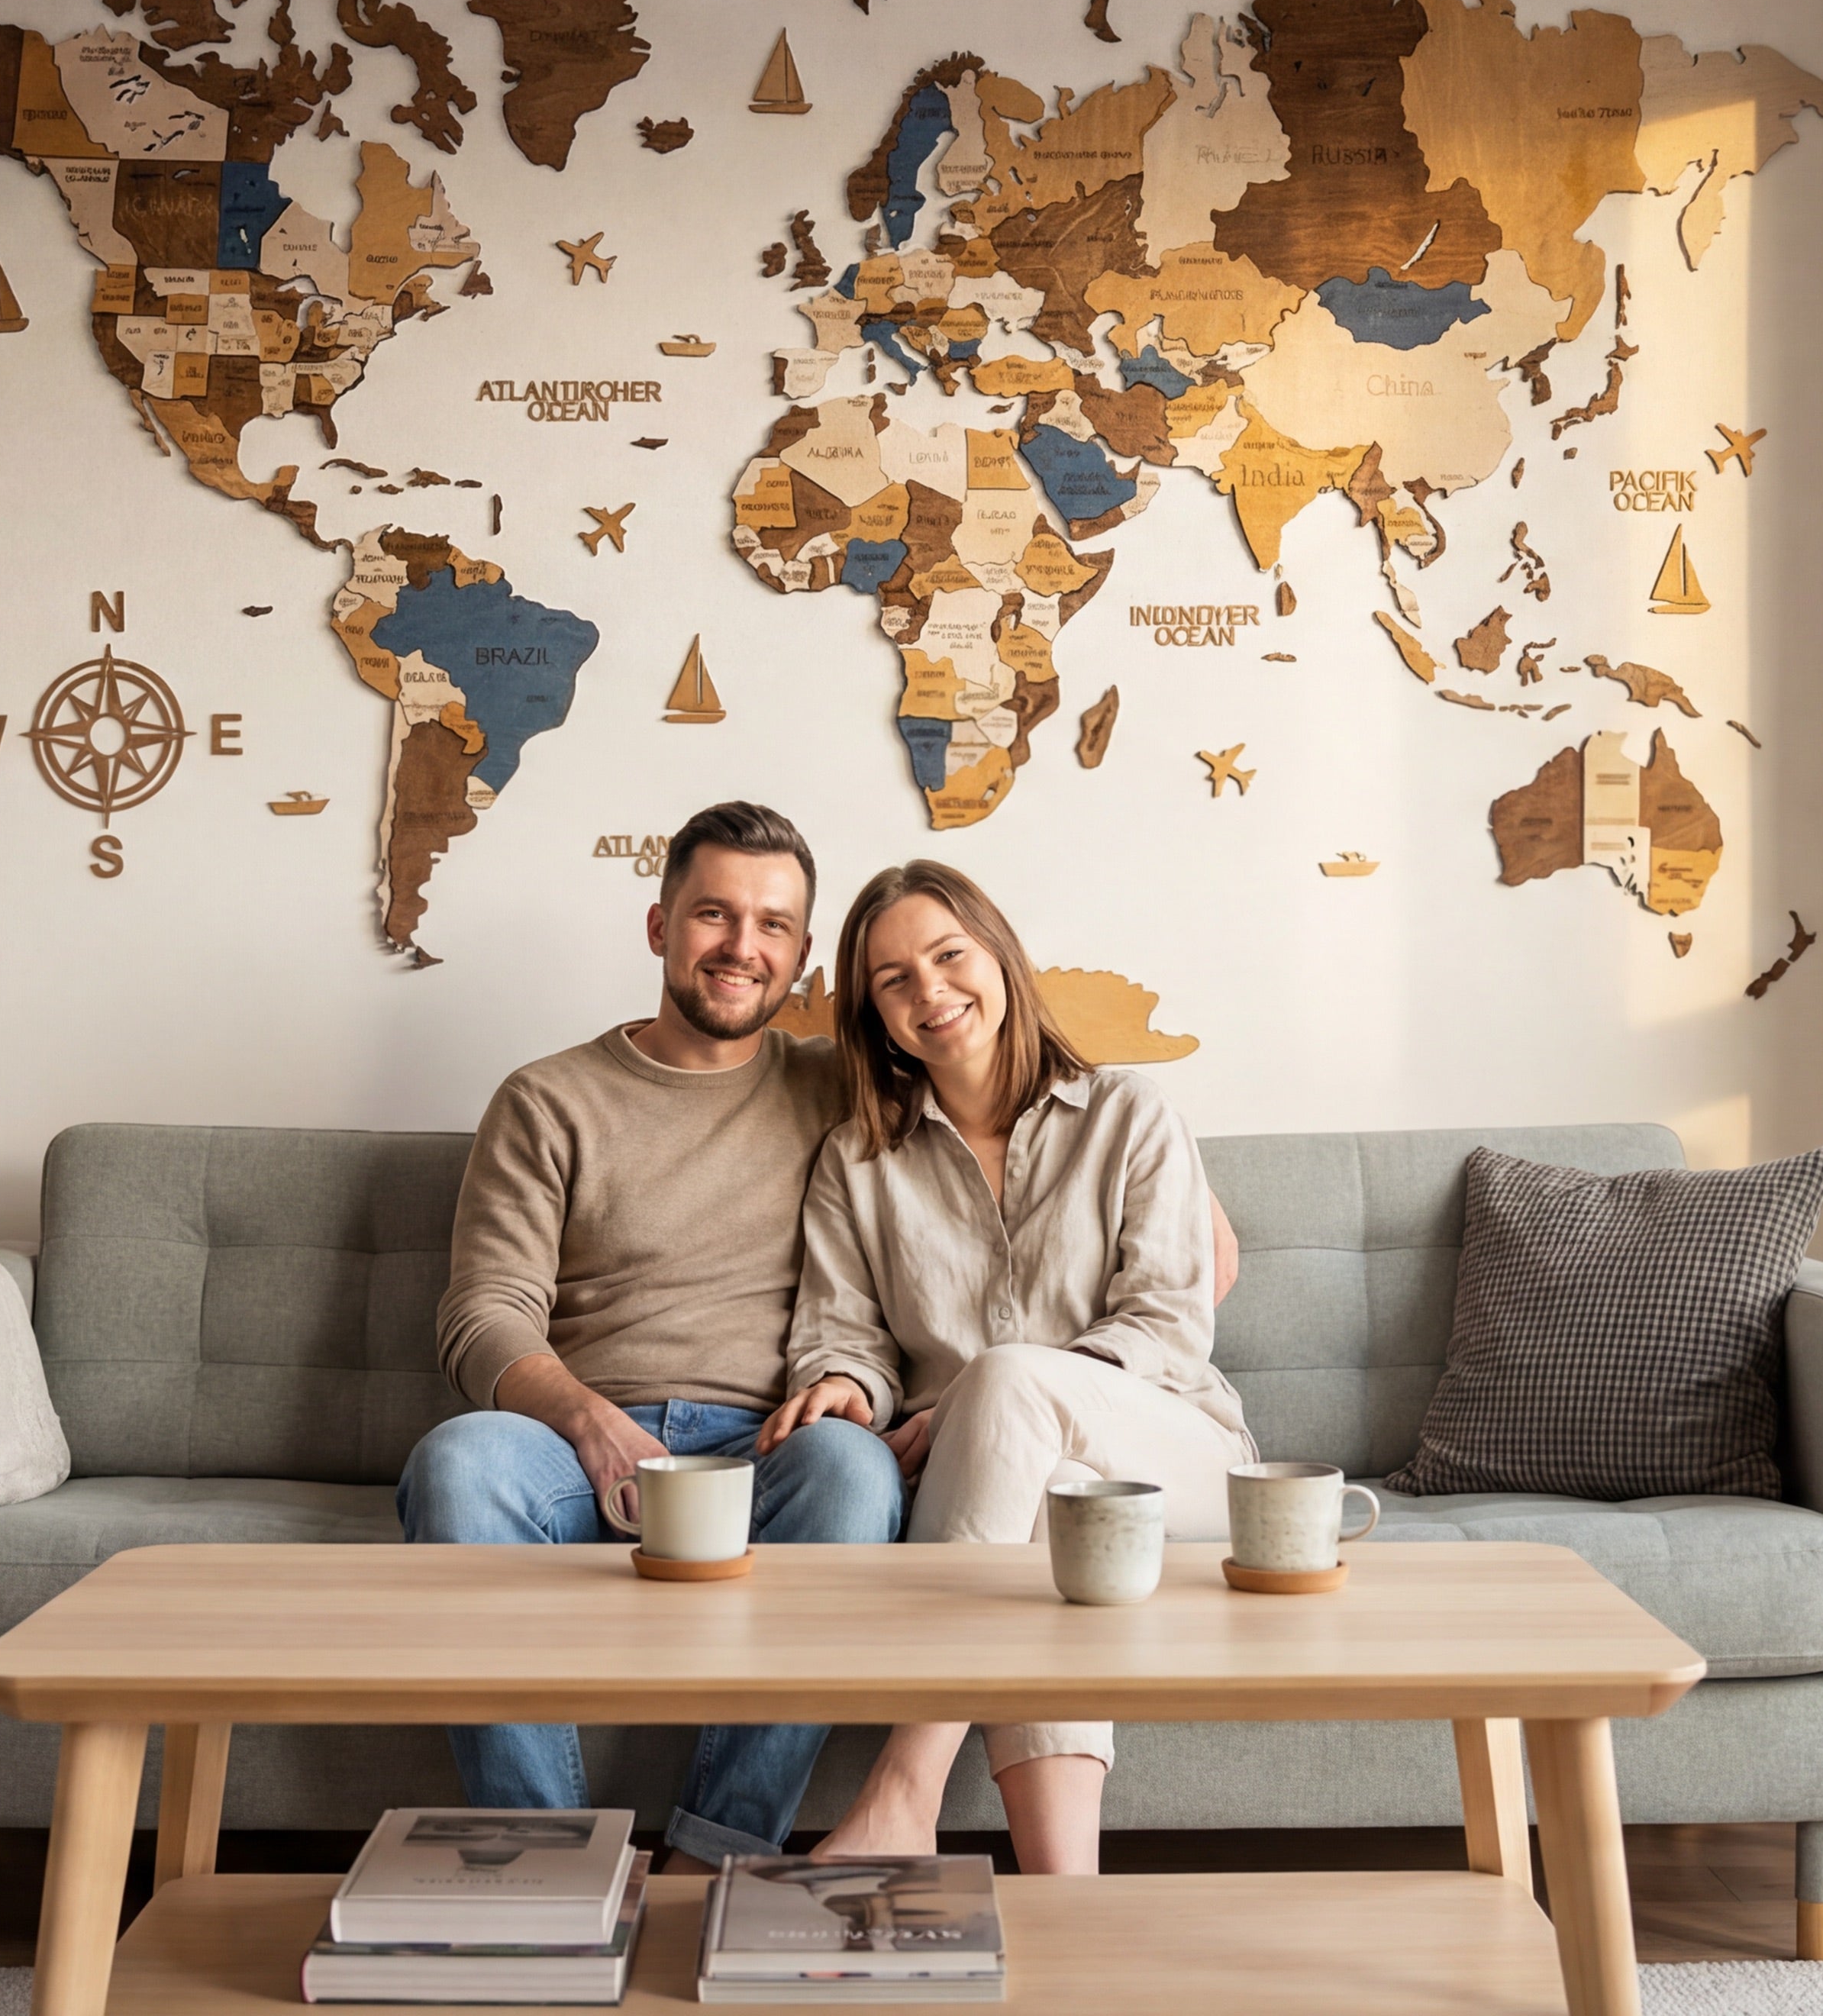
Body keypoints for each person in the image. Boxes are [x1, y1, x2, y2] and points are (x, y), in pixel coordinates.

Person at [398, 802, 908, 1870]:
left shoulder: (841, 1087)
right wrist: (586, 1420)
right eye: (714, 914)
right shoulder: (548, 1099)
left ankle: (717, 1855)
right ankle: (544, 1863)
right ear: (659, 925)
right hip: (571, 1443)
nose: (741, 946)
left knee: (857, 1474)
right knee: (458, 1463)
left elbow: (1002, 1096)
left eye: (773, 925)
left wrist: (1182, 1190)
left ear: (802, 955)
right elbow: (483, 1310)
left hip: (766, 1446)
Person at [757, 860, 1254, 1876]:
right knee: (1051, 1497)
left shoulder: (1130, 1115)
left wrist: (992, 1396)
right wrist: (847, 1385)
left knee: (1012, 1387)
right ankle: (1068, 1901)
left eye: (950, 955)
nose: (930, 990)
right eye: (894, 979)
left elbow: (1169, 1325)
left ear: (1000, 957)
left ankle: (905, 1791)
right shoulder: (858, 1159)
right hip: (1017, 1496)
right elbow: (840, 1331)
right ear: (875, 1015)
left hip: (1178, 1460)